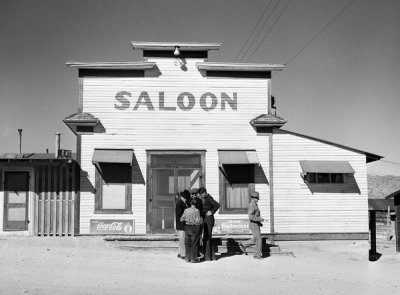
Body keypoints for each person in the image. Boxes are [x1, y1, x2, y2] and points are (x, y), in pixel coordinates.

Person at [238, 190, 264, 260]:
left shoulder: (255, 204)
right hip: (254, 224)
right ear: (253, 197)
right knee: (259, 239)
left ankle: (243, 243)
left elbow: (255, 215)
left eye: (258, 198)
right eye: (256, 198)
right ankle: (257, 255)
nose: (258, 199)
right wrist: (259, 219)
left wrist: (260, 223)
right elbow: (250, 216)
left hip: (256, 224)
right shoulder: (252, 205)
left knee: (256, 239)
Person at [198, 186, 220, 261]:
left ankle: (209, 256)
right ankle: (209, 256)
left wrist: (211, 212)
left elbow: (217, 205)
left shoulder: (209, 198)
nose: (200, 196)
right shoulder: (204, 198)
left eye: (201, 194)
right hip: (205, 219)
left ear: (204, 192)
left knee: (208, 237)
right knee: (206, 237)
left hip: (209, 219)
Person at [180, 198, 203, 263]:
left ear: (190, 203)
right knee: (194, 244)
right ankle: (193, 259)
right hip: (194, 228)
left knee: (187, 244)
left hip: (187, 227)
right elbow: (197, 220)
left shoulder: (186, 210)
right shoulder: (197, 210)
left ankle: (187, 258)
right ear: (196, 204)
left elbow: (181, 219)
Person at [175, 190, 190, 259]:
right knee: (183, 240)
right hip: (181, 225)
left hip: (181, 225)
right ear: (184, 197)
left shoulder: (182, 203)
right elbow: (180, 215)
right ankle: (183, 254)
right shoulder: (180, 204)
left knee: (181, 240)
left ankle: (180, 252)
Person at [190, 188, 204, 259]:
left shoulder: (199, 201)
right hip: (192, 223)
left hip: (197, 222)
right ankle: (194, 253)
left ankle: (199, 252)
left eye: (195, 194)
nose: (194, 195)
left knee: (198, 237)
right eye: (192, 194)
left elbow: (201, 212)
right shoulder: (189, 201)